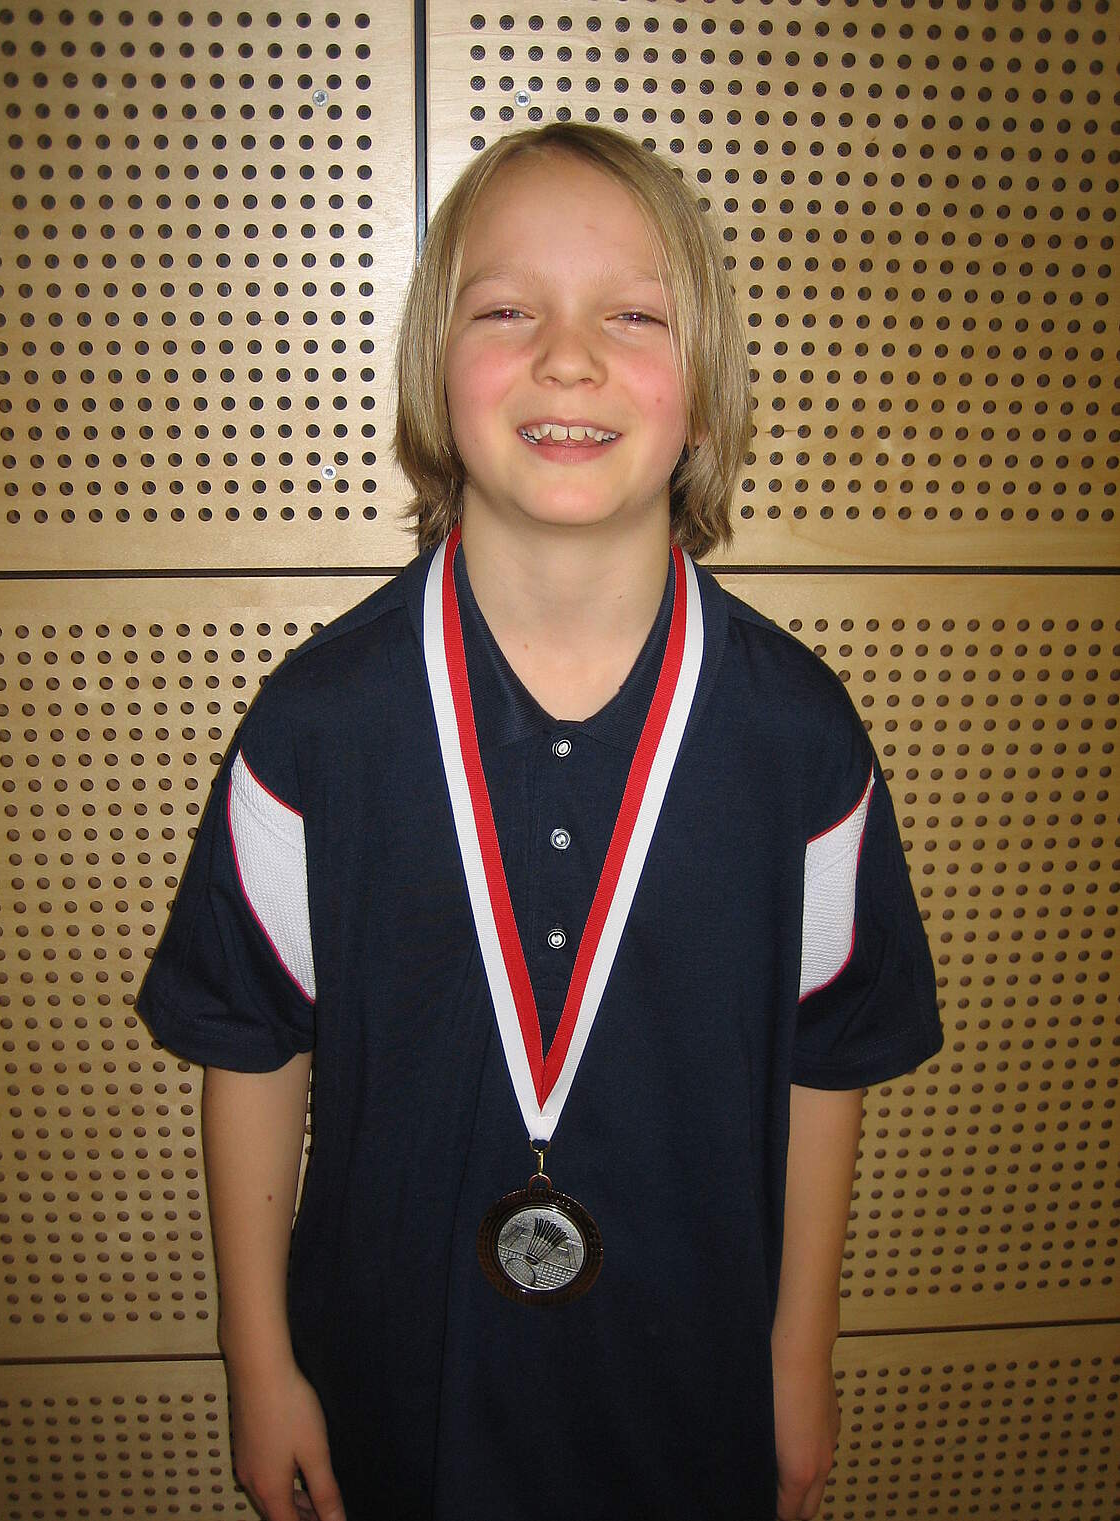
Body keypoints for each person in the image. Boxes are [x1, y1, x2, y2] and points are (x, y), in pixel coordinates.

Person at [137, 122, 942, 1521]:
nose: (568, 358)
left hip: (693, 1395)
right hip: (396, 1394)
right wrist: (257, 1363)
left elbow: (829, 1063)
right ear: (434, 373)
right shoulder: (315, 727)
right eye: (508, 311)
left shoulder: (802, 741)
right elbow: (250, 1052)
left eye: (634, 315)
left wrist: (799, 1352)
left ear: (704, 391)